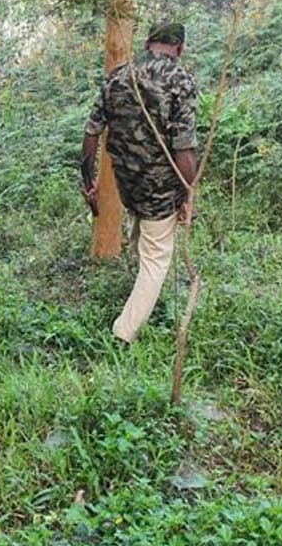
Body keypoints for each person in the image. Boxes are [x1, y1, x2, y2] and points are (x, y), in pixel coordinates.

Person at [81, 20, 199, 344]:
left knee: (143, 238)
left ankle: (141, 300)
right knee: (157, 259)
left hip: (127, 183)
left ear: (148, 43)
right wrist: (189, 193)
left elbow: (91, 132)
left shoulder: (119, 75)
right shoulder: (181, 80)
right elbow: (184, 147)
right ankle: (123, 334)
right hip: (161, 186)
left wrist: (87, 180)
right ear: (180, 47)